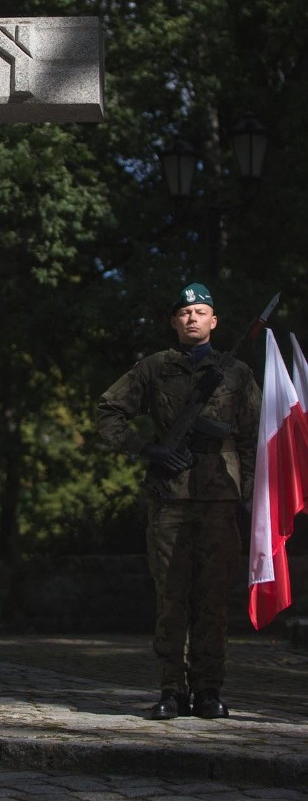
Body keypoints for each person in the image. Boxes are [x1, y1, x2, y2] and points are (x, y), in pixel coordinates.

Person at [96, 282, 260, 721]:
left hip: (220, 498)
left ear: (214, 321)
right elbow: (107, 412)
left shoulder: (237, 373)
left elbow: (252, 439)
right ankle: (171, 690)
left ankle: (209, 690)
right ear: (174, 321)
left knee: (212, 597)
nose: (192, 318)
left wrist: (249, 498)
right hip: (169, 499)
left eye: (200, 311)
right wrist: (148, 450)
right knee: (171, 598)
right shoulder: (153, 368)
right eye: (184, 312)